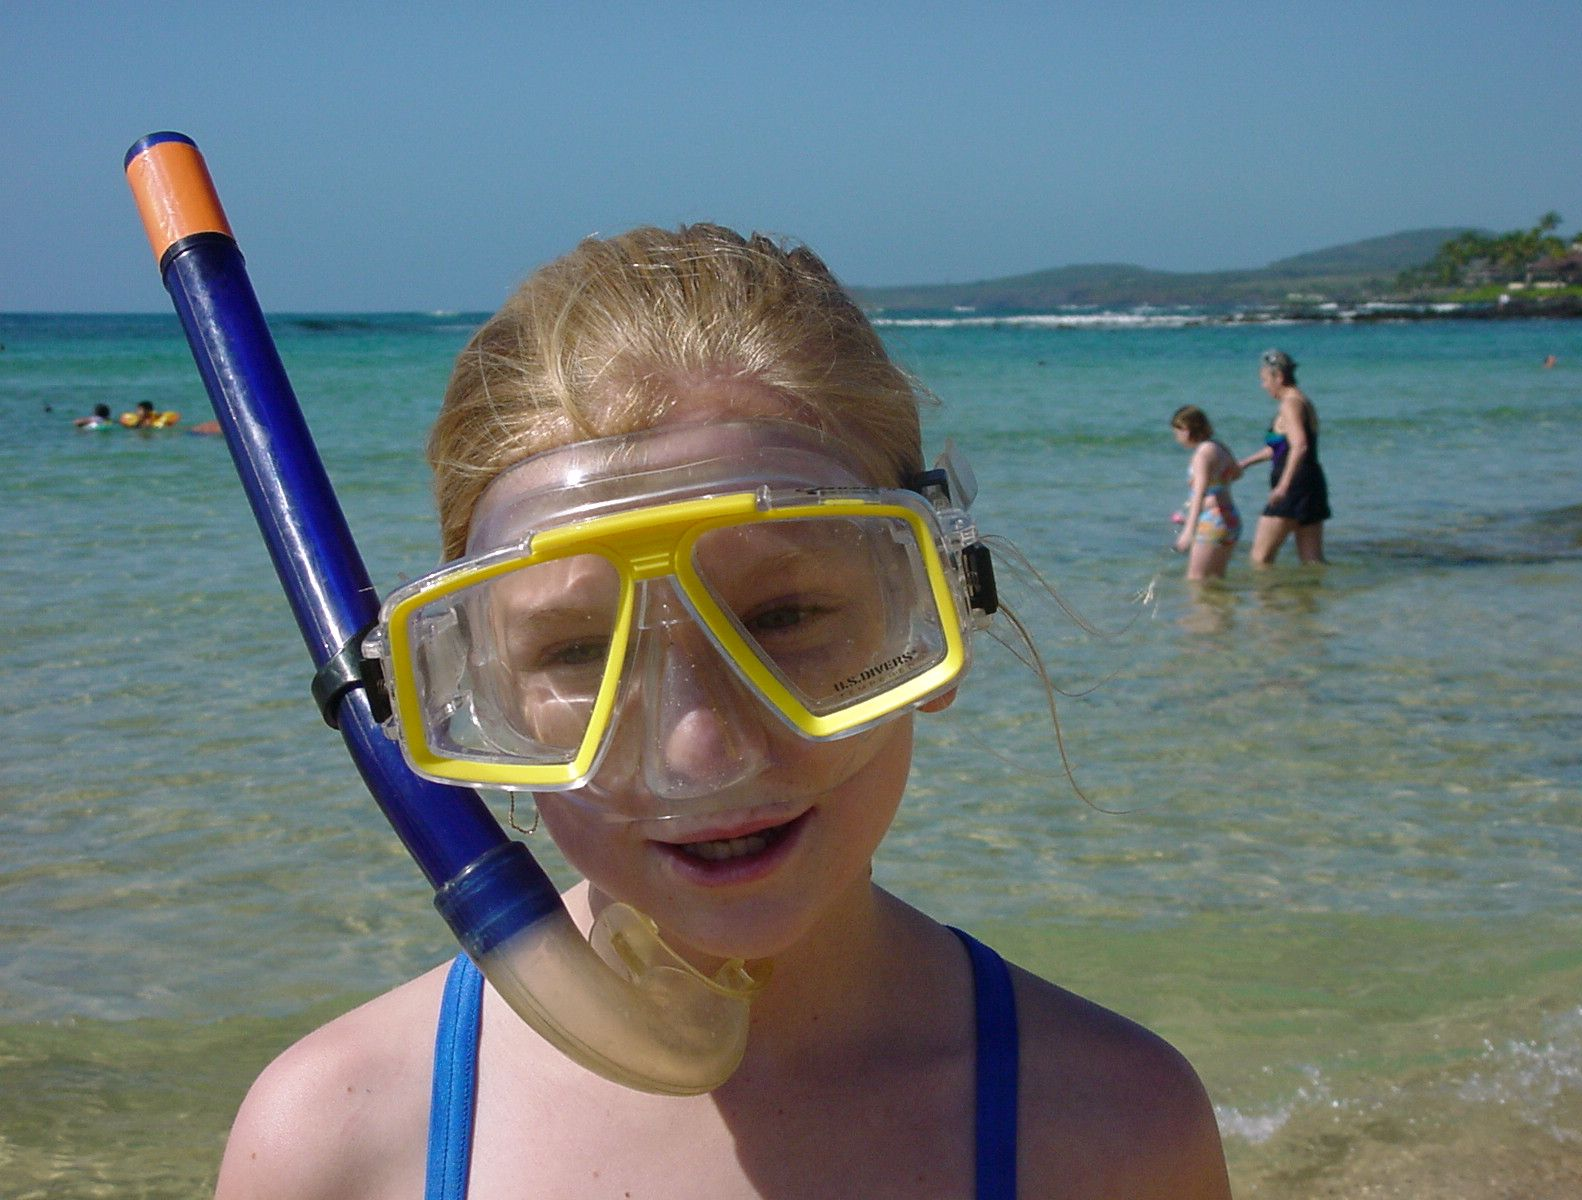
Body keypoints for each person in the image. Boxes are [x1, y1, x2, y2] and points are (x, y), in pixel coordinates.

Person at [212, 225, 1232, 1200]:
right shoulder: (334, 1145)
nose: (702, 751)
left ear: (934, 612)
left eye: (783, 617)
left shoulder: (1111, 1133)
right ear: (481, 693)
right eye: (577, 650)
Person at [1236, 349, 1329, 565]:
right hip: (1311, 485)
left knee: (1260, 559)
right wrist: (1245, 463)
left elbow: (1300, 446)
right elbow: (1280, 448)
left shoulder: (1290, 404)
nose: (1263, 386)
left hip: (1294, 487)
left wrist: (1283, 486)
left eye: (1264, 380)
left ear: (1278, 377)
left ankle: (1266, 591)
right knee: (1312, 561)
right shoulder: (1302, 401)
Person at [1169, 406, 1242, 580]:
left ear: (1186, 430)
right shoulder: (1219, 447)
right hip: (1230, 519)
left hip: (1212, 521)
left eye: (1176, 432)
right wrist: (1216, 488)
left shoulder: (1201, 455)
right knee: (1216, 579)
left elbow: (1199, 491)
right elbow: (1237, 473)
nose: (1176, 437)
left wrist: (1188, 530)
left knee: (1196, 580)